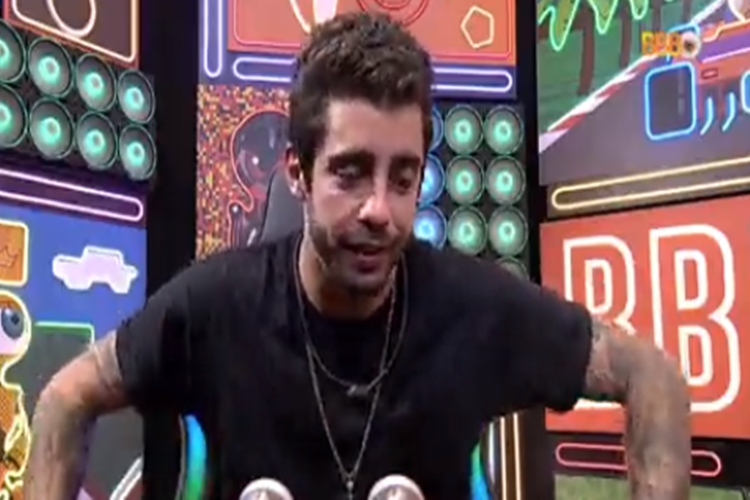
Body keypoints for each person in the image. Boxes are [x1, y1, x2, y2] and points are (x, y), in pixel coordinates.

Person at [23, 12, 691, 500]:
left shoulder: (474, 308)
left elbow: (652, 375)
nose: (379, 209)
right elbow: (64, 398)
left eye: (403, 177)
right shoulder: (212, 308)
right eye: (350, 172)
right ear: (297, 172)